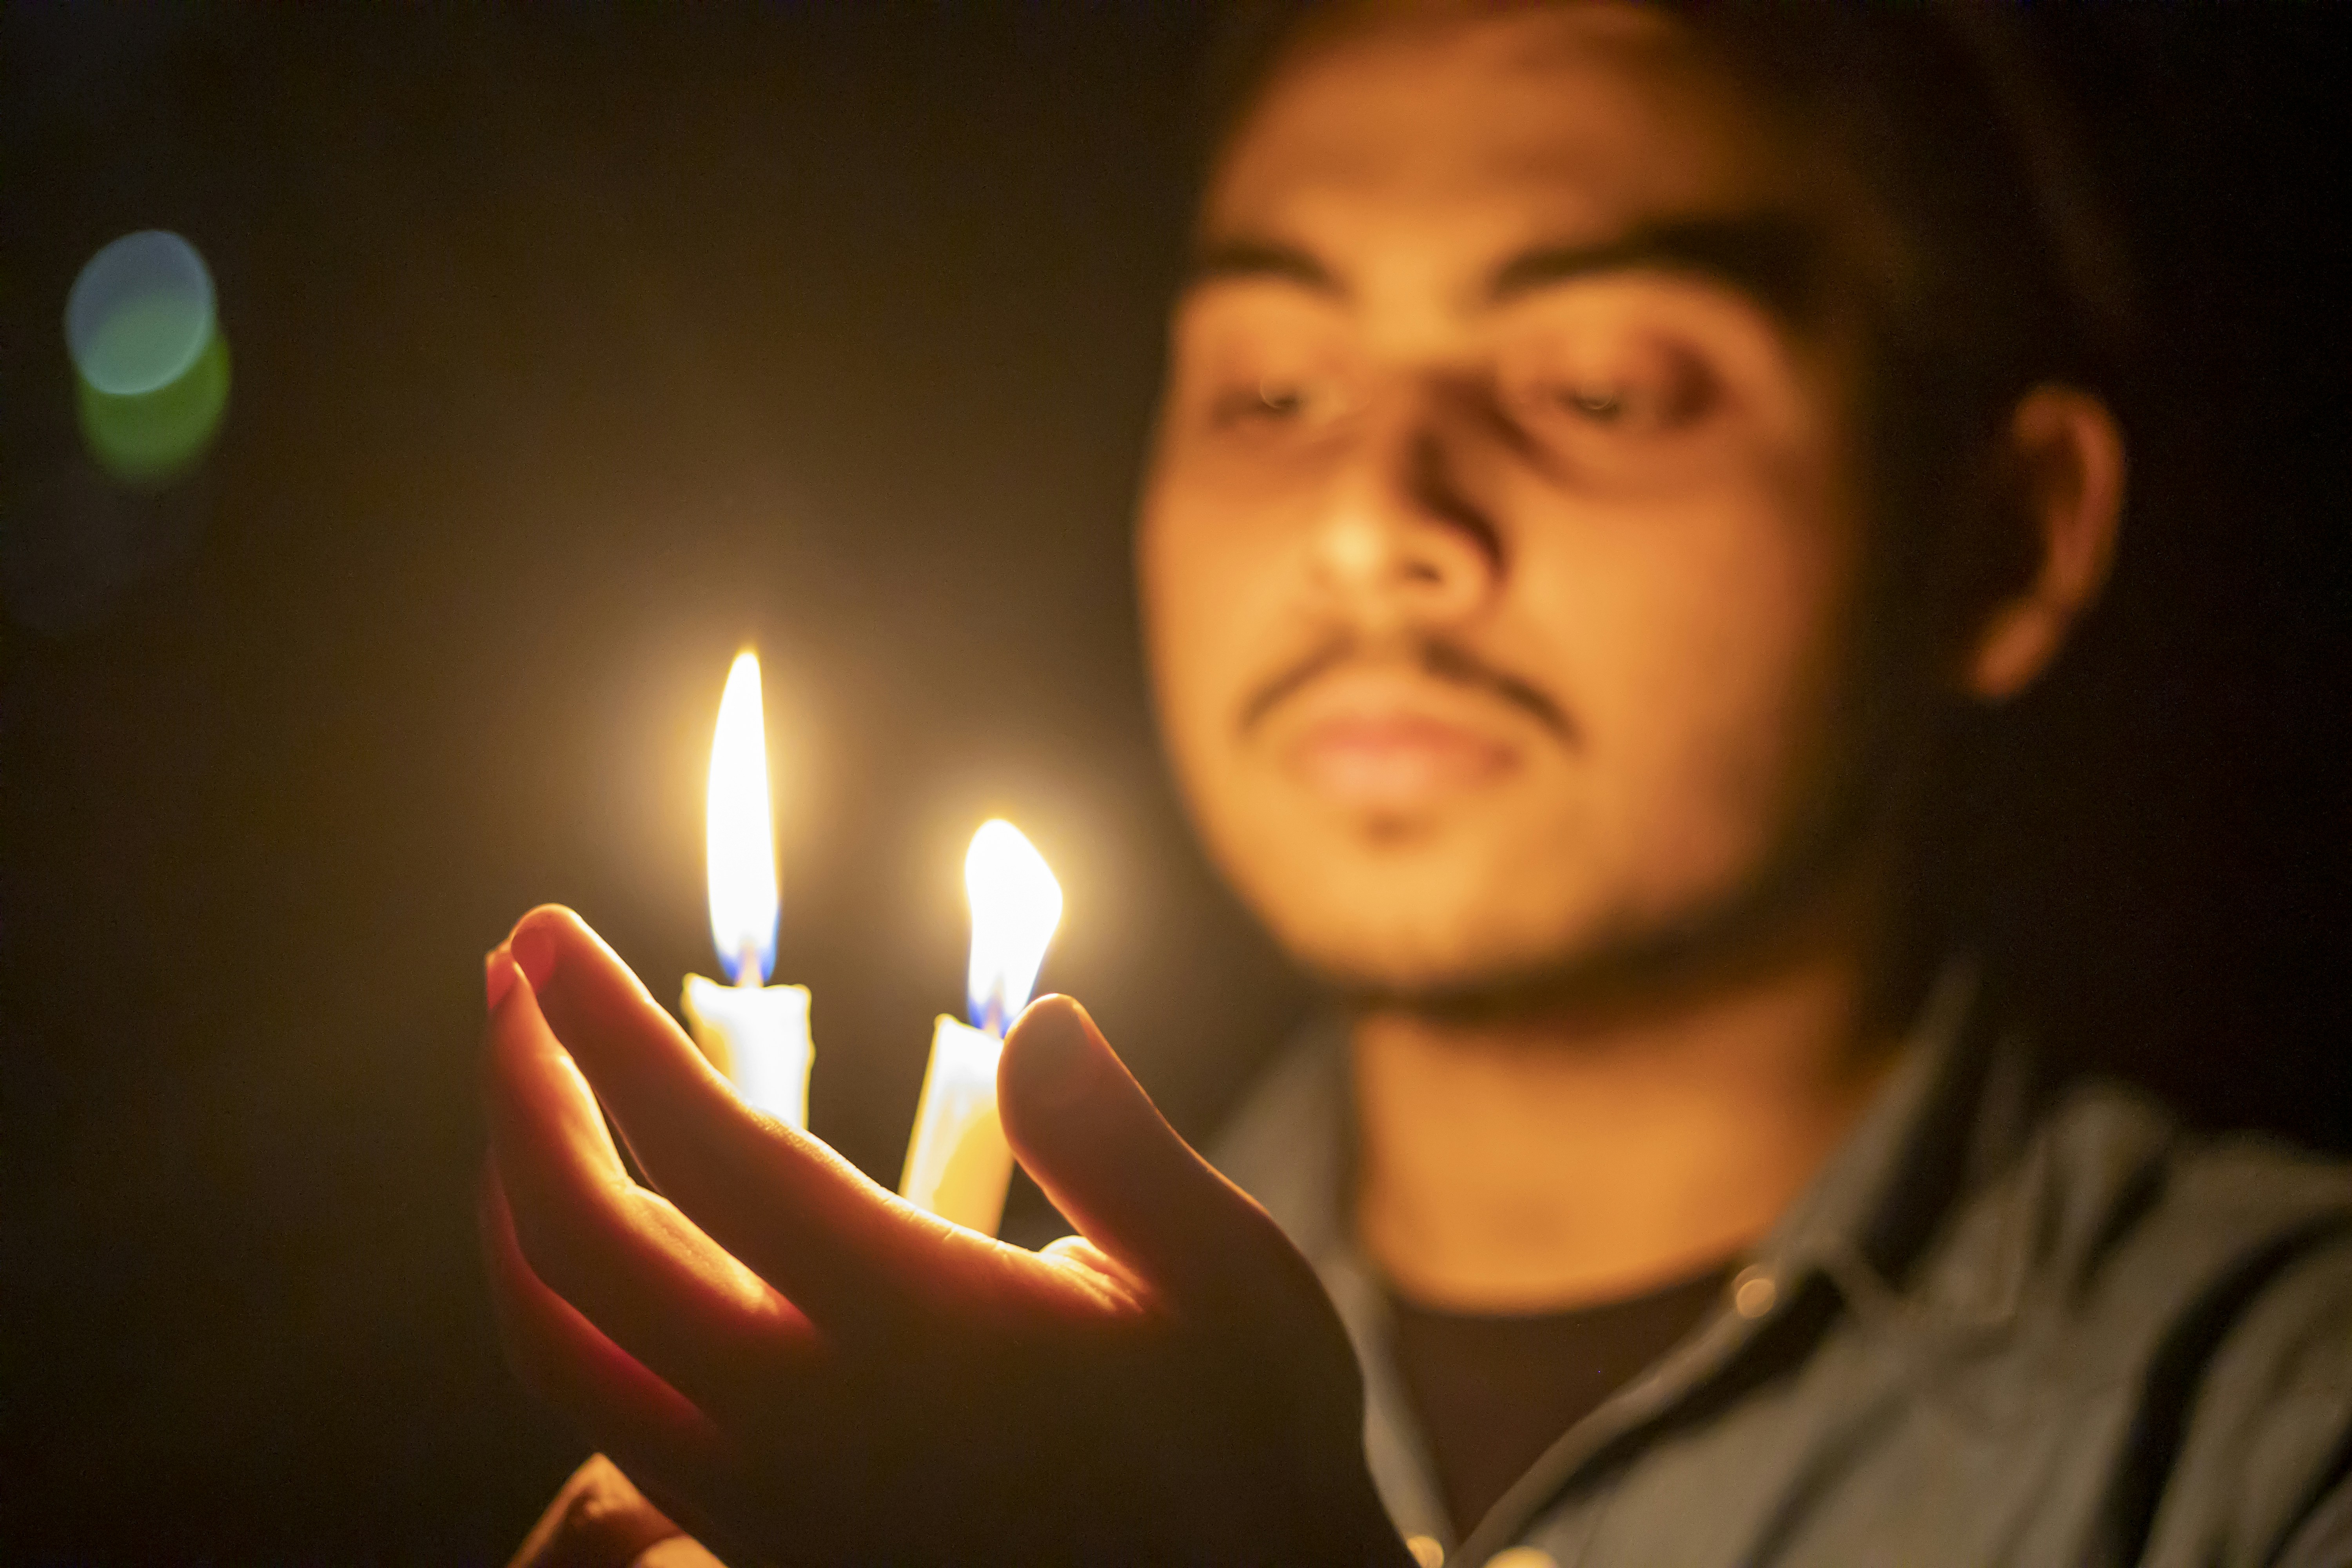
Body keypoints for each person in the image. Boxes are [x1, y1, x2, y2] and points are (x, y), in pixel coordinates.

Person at [477, 4, 2352, 1564]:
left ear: (2011, 539)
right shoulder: (972, 1362)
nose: (1375, 524)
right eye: (1277, 392)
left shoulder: (2270, 1421)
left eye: (1599, 389)